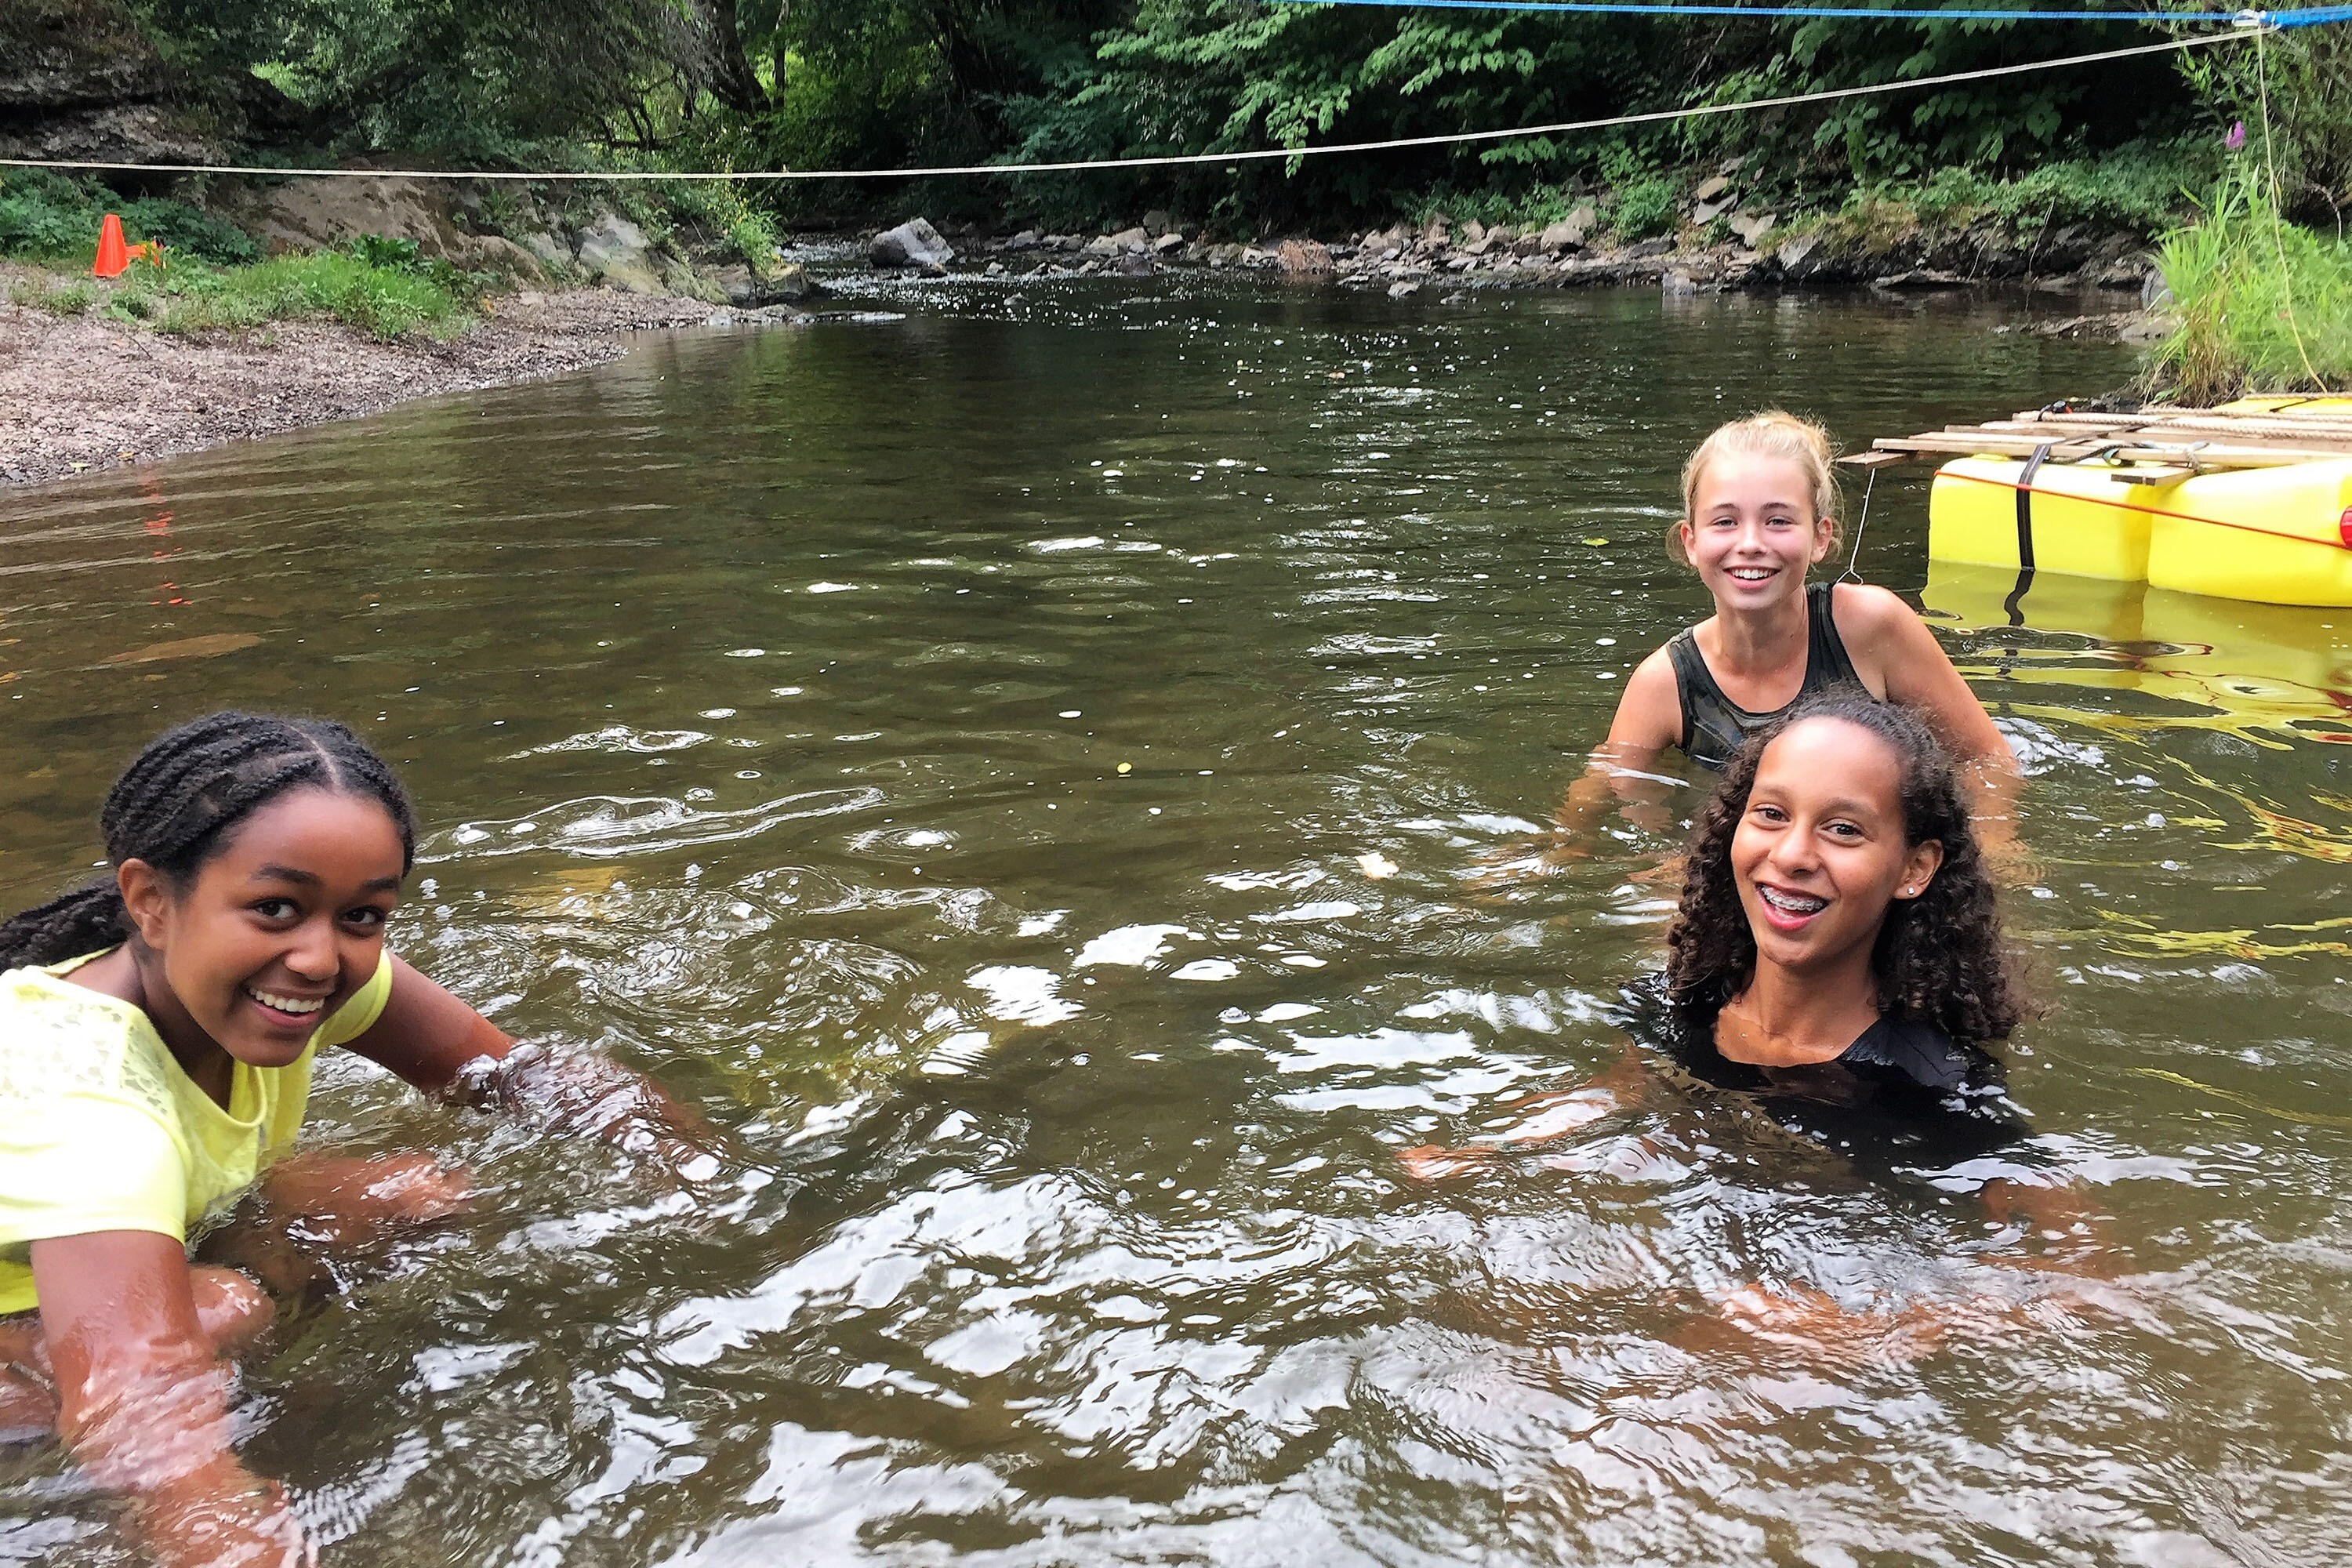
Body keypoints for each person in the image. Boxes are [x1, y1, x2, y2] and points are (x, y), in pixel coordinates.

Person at [0, 712, 726, 1568]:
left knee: (414, 1193)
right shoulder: (84, 1095)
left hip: (105, 1257)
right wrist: (224, 1529)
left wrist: (708, 1172)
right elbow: (138, 1396)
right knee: (219, 1316)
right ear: (152, 902)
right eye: (275, 907)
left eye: (363, 914)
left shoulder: (299, 971)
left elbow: (518, 1076)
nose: (319, 957)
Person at [1411, 694, 2108, 1356]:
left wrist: (1862, 1337)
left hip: (1831, 1317)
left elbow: (2091, 1275)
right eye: (1771, 814)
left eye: (1843, 829)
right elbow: (1626, 1089)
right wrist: (1484, 1152)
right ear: (1734, 829)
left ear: (1915, 868)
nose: (1794, 854)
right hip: (1688, 1253)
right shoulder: (1684, 998)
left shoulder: (1927, 1084)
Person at [1537, 412, 2020, 865]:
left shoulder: (1870, 627)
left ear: (1820, 537)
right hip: (1744, 865)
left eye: (1778, 520)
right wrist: (1551, 855)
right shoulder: (1665, 682)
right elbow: (1609, 784)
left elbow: (1988, 759)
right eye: (1725, 521)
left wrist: (1994, 852)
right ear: (1691, 542)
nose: (1750, 542)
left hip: (1868, 858)